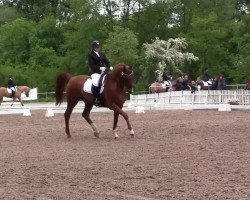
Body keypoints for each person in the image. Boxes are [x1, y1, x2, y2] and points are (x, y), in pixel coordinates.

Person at [88, 40, 111, 106]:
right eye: (96, 47)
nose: (98, 48)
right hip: (95, 72)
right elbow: (92, 65)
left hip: (104, 72)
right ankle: (96, 99)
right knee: (97, 83)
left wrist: (110, 66)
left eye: (98, 47)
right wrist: (100, 68)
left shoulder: (102, 54)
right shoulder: (90, 55)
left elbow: (107, 62)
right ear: (93, 47)